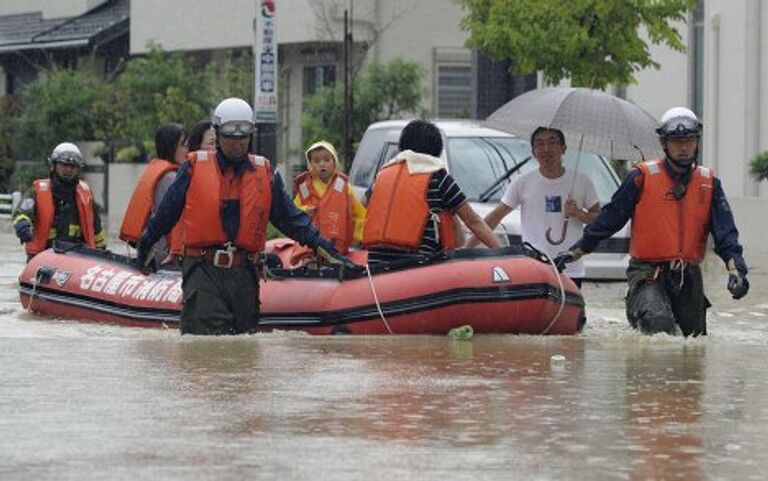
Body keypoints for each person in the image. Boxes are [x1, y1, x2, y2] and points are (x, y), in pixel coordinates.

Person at [134, 97, 354, 335]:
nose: (237, 144)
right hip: (204, 271)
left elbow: (291, 219)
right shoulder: (195, 166)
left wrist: (324, 247)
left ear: (251, 135)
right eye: (230, 137)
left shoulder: (265, 172)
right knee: (205, 350)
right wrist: (146, 244)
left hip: (245, 275)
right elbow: (167, 211)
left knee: (244, 350)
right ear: (218, 134)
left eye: (243, 137)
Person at [555, 107, 749, 336]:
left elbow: (726, 234)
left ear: (697, 142)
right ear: (664, 144)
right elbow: (610, 219)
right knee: (658, 325)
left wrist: (737, 270)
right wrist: (575, 251)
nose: (684, 147)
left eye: (689, 140)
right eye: (676, 141)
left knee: (693, 343)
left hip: (689, 277)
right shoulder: (640, 177)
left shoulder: (709, 183)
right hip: (647, 272)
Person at [465, 127, 600, 287]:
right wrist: (466, 249)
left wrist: (578, 213)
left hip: (570, 267)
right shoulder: (522, 183)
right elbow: (496, 216)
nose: (546, 149)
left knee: (570, 311)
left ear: (563, 149)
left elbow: (598, 219)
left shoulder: (582, 181)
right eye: (539, 144)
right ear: (533, 152)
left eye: (552, 142)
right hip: (533, 265)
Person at [363, 119, 500, 264]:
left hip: (376, 268)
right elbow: (474, 222)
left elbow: (365, 204)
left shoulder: (381, 177)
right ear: (436, 150)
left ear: (403, 146)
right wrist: (505, 253)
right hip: (419, 269)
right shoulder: (438, 178)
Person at [13, 143, 107, 261]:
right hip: (42, 258)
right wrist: (22, 226)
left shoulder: (86, 196)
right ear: (53, 165)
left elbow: (97, 230)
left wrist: (101, 254)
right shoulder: (38, 191)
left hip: (76, 260)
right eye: (64, 165)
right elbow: (22, 213)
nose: (68, 170)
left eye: (73, 166)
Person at [119, 123, 188, 266]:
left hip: (152, 249)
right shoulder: (171, 179)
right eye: (183, 145)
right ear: (171, 147)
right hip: (162, 255)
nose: (188, 151)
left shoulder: (161, 171)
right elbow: (172, 221)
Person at [293, 140, 366, 255]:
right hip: (310, 250)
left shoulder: (345, 189)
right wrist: (305, 211)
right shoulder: (304, 189)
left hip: (337, 251)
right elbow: (293, 213)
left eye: (327, 160)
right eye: (316, 161)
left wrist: (363, 238)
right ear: (310, 165)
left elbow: (360, 216)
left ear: (334, 162)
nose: (322, 164)